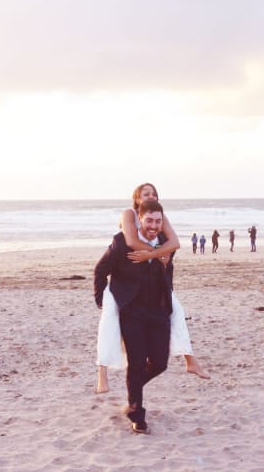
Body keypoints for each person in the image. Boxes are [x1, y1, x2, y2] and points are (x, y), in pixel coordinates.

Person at [95, 182, 209, 395]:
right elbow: (130, 241)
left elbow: (173, 244)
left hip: (152, 292)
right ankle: (102, 372)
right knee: (108, 319)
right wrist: (155, 253)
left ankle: (189, 360)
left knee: (177, 311)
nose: (151, 196)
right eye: (146, 194)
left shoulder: (160, 219)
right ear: (137, 199)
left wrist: (155, 255)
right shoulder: (129, 215)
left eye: (154, 194)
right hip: (122, 289)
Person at [94, 198, 173, 434]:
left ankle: (133, 388)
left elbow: (168, 273)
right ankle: (137, 413)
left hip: (158, 311)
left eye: (158, 221)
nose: (153, 225)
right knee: (136, 363)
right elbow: (100, 270)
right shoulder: (121, 243)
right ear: (139, 219)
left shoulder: (165, 244)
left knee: (160, 362)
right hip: (132, 313)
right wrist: (103, 302)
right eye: (149, 220)